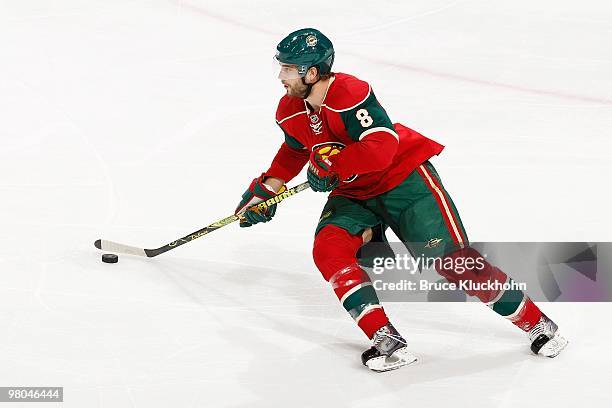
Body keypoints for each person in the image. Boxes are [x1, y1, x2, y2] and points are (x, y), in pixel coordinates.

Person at [234, 28, 568, 372]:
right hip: (356, 192)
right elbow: (294, 150)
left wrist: (333, 165)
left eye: (288, 69)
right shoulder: (291, 108)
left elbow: (381, 147)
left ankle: (538, 324)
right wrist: (266, 190)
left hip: (403, 182)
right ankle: (386, 339)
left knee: (452, 262)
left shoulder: (349, 92)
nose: (281, 76)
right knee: (328, 250)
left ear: (313, 72)